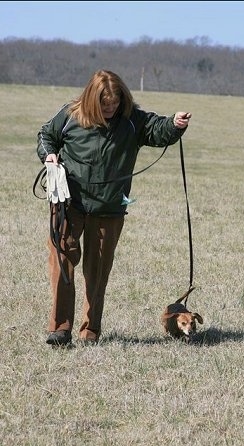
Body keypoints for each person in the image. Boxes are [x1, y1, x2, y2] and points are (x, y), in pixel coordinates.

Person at [36, 69, 192, 347]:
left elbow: (157, 130)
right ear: (91, 99)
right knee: (61, 262)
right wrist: (48, 154)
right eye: (104, 104)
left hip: (109, 207)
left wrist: (175, 124)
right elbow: (46, 135)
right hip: (68, 204)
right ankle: (60, 329)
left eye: (115, 103)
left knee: (97, 272)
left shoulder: (131, 119)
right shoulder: (71, 115)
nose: (110, 108)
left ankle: (90, 332)